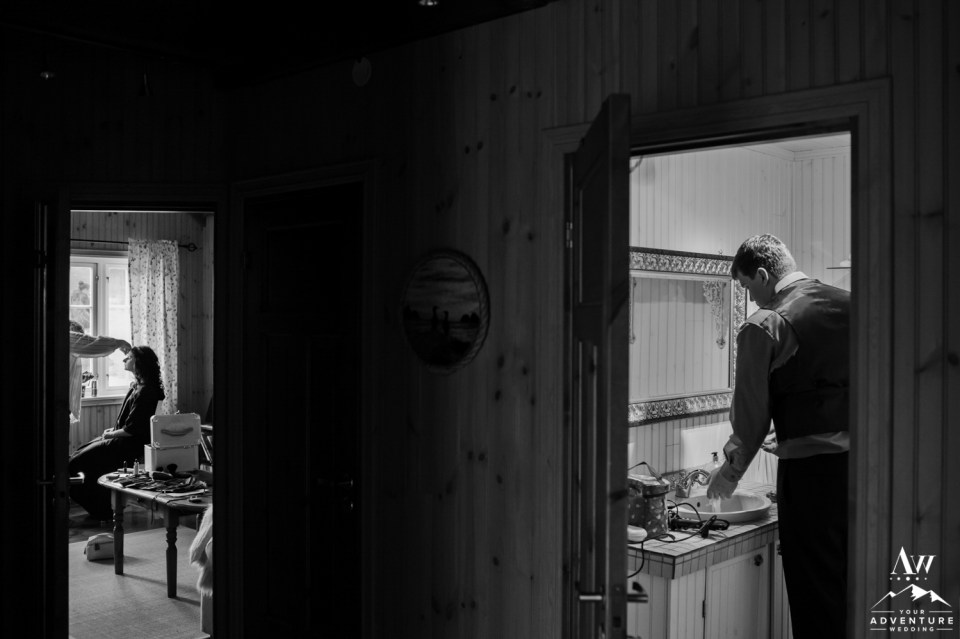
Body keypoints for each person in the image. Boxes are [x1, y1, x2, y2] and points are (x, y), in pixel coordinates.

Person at [706, 234, 849, 637]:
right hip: (870, 472)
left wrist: (729, 473)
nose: (751, 299)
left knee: (816, 596)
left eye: (747, 287)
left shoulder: (765, 324)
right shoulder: (854, 305)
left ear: (763, 275)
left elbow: (751, 420)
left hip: (811, 481)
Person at [68, 346, 166, 521]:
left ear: (139, 362)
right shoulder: (138, 386)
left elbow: (132, 429)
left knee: (74, 464)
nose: (124, 360)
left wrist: (111, 435)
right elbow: (128, 423)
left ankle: (102, 510)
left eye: (128, 357)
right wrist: (112, 431)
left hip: (127, 445)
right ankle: (102, 508)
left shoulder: (147, 391)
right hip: (121, 439)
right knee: (75, 457)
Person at [68, 320, 131, 424]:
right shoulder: (67, 337)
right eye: (78, 336)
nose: (79, 339)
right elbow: (93, 343)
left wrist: (79, 378)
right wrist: (119, 342)